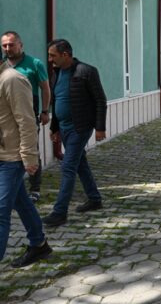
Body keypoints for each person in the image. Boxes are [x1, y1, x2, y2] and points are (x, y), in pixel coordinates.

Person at [42, 39, 106, 227]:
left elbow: (100, 100)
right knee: (80, 164)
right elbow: (57, 101)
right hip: (64, 128)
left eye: (53, 55)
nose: (50, 59)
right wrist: (54, 127)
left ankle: (59, 212)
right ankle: (94, 199)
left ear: (65, 54)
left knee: (68, 167)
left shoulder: (86, 71)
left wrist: (100, 128)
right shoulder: (56, 73)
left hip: (80, 127)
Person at [0, 58, 52, 267]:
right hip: (2, 153)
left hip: (11, 157)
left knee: (1, 211)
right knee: (20, 200)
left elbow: (27, 120)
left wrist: (29, 156)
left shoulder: (12, 79)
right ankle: (39, 244)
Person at [1, 31, 51, 203]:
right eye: (4, 45)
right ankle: (16, 190)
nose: (8, 48)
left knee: (31, 148)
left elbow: (45, 88)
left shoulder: (34, 64)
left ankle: (35, 187)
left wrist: (45, 111)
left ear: (20, 45)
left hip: (28, 113)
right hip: (7, 118)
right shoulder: (3, 65)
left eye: (11, 44)